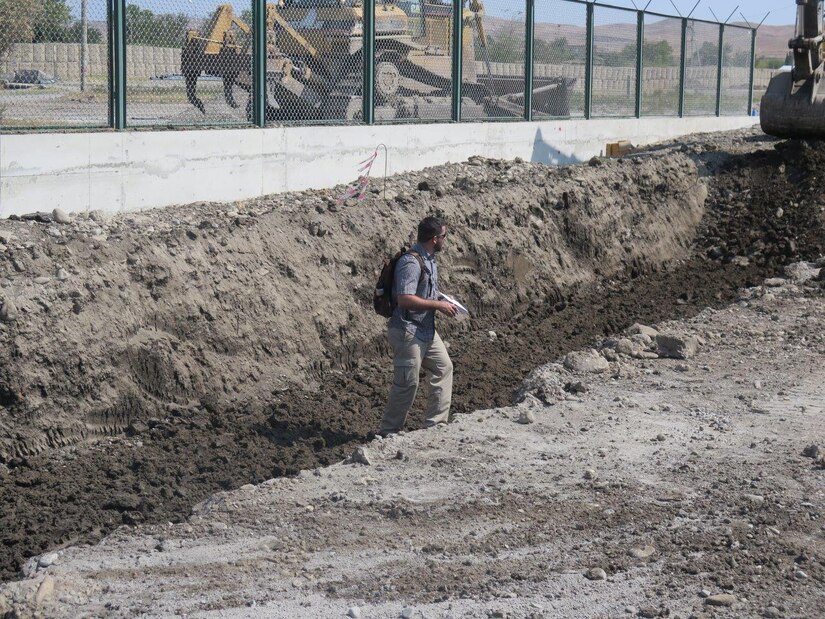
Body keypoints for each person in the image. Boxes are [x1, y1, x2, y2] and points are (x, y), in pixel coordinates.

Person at [378, 216, 458, 436]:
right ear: (434, 239)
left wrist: (443, 300)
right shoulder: (411, 263)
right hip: (407, 331)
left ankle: (436, 426)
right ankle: (388, 433)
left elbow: (426, 291)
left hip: (425, 330)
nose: (446, 240)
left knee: (444, 368)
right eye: (444, 236)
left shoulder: (430, 259)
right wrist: (438, 306)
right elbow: (404, 298)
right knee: (407, 384)